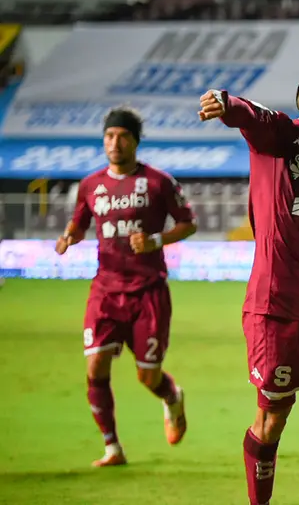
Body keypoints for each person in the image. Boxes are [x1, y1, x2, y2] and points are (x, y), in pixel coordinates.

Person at [197, 66, 299, 505]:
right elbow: (250, 115)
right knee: (272, 421)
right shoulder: (283, 138)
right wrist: (224, 100)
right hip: (276, 307)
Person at [55, 106, 197, 467]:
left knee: (147, 376)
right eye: (109, 136)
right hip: (105, 290)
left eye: (122, 136)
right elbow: (80, 223)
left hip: (148, 292)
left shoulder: (158, 182)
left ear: (135, 141)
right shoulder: (90, 185)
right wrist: (70, 236)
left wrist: (155, 240)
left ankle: (172, 397)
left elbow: (188, 223)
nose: (115, 142)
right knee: (96, 366)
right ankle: (112, 448)